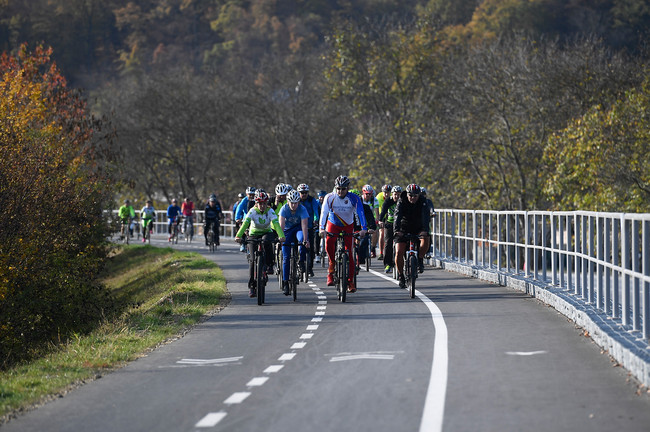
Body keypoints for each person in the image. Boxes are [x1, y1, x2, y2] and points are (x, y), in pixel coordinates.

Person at [319, 175, 367, 292]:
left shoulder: (354, 198)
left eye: (343, 189)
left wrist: (363, 228)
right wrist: (321, 228)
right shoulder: (329, 197)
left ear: (348, 188)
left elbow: (361, 213)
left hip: (347, 225)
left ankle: (350, 281)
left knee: (349, 253)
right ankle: (331, 267)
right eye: (338, 188)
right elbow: (324, 213)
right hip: (333, 224)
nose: (340, 191)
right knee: (329, 243)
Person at [235, 189, 285, 298]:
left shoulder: (270, 211)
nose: (262, 206)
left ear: (267, 203)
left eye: (264, 203)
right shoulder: (252, 211)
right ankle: (252, 287)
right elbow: (245, 224)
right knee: (252, 261)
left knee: (268, 241)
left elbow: (276, 224)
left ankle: (269, 265)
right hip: (253, 234)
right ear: (256, 203)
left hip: (266, 232)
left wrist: (281, 236)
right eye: (260, 203)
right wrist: (238, 235)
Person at [393, 184, 431, 288]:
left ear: (419, 195)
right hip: (403, 227)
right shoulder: (401, 200)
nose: (412, 198)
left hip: (418, 227)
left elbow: (426, 217)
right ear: (407, 194)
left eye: (415, 196)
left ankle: (419, 259)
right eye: (410, 195)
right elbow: (397, 215)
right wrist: (396, 230)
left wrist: (425, 230)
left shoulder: (423, 201)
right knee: (399, 251)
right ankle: (401, 276)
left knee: (426, 238)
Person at [278, 190, 310, 295]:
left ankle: (301, 261)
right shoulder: (283, 209)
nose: (293, 205)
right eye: (291, 202)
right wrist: (281, 239)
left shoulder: (302, 209)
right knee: (286, 257)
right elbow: (281, 226)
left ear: (298, 202)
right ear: (287, 201)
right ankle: (286, 282)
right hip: (286, 231)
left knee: (302, 240)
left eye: (295, 203)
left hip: (298, 229)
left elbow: (304, 226)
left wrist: (305, 240)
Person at [297, 183, 320, 276]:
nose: (304, 194)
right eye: (302, 192)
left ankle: (310, 268)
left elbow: (315, 211)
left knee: (310, 248)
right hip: (298, 226)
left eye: (305, 192)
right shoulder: (296, 200)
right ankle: (297, 261)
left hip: (309, 226)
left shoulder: (311, 200)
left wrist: (315, 219)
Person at [350, 189, 376, 267]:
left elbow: (370, 219)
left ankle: (360, 259)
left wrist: (371, 228)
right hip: (349, 230)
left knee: (363, 241)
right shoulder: (346, 208)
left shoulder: (366, 207)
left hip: (361, 230)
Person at [378, 186, 401, 273]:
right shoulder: (388, 201)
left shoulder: (402, 202)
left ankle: (407, 262)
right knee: (388, 243)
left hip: (400, 225)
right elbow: (383, 211)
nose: (397, 197)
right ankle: (388, 264)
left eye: (398, 195)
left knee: (404, 241)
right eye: (395, 194)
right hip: (390, 223)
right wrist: (380, 220)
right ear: (392, 194)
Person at [235, 186, 256, 251]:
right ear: (247, 194)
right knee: (244, 229)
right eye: (250, 195)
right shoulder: (244, 200)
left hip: (255, 218)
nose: (251, 196)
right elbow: (239, 209)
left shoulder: (257, 200)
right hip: (246, 217)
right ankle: (243, 244)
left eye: (253, 195)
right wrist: (237, 218)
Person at [361, 185, 380, 258]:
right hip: (362, 217)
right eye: (366, 194)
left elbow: (376, 212)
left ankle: (373, 248)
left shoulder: (374, 200)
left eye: (370, 194)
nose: (368, 195)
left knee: (375, 231)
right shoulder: (360, 199)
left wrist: (377, 220)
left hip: (371, 217)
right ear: (363, 193)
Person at [377, 184, 391, 260]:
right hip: (382, 215)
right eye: (385, 192)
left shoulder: (393, 197)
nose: (386, 194)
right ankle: (381, 253)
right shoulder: (379, 197)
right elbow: (375, 208)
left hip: (390, 216)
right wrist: (378, 219)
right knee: (382, 233)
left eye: (388, 192)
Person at [314, 190, 327, 263]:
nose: (321, 199)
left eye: (323, 197)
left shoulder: (327, 202)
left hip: (327, 220)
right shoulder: (316, 203)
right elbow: (315, 212)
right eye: (320, 197)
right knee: (316, 236)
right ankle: (317, 254)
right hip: (318, 220)